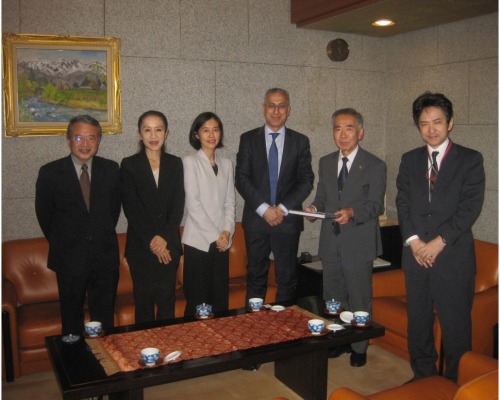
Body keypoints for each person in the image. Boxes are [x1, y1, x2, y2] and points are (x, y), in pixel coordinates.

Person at [396, 92, 485, 382]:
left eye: (437, 122)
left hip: (453, 257)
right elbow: (403, 204)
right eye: (424, 123)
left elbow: (470, 207)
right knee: (419, 323)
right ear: (418, 126)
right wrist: (415, 243)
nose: (431, 129)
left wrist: (438, 242)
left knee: (456, 327)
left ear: (450, 123)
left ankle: (457, 383)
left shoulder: (470, 159)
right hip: (416, 256)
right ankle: (423, 377)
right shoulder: (409, 160)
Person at [304, 108, 386, 367]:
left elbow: (376, 206)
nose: (343, 134)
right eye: (337, 128)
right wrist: (314, 210)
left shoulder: (375, 165)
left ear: (360, 132)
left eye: (349, 128)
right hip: (331, 241)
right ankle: (337, 340)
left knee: (359, 296)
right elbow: (321, 198)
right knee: (333, 296)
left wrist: (353, 212)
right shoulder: (326, 162)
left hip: (358, 242)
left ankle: (359, 346)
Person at [35, 115, 121, 337]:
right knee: (71, 318)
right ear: (68, 140)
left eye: (91, 138)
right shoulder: (50, 173)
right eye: (79, 137)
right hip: (69, 259)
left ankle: (107, 367)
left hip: (104, 257)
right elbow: (45, 216)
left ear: (99, 141)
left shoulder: (111, 170)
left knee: (104, 319)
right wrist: (67, 242)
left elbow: (113, 211)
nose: (85, 144)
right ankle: (76, 367)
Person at [235, 88, 314, 305]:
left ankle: (284, 333)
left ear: (288, 110)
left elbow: (306, 180)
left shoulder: (300, 141)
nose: (276, 110)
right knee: (256, 278)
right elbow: (241, 179)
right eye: (271, 105)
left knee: (287, 279)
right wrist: (264, 209)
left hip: (287, 221)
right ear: (263, 108)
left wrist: (281, 209)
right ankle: (255, 330)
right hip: (256, 221)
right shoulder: (248, 139)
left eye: (281, 106)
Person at [120, 110, 185, 323]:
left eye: (158, 129)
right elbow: (131, 209)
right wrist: (153, 241)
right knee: (144, 305)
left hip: (169, 246)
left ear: (166, 133)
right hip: (141, 247)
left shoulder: (175, 164)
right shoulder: (129, 165)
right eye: (147, 130)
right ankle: (145, 352)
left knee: (167, 303)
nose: (153, 135)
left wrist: (164, 238)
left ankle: (168, 352)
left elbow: (178, 206)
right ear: (139, 134)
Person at [182, 112, 236, 316]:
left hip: (222, 242)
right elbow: (193, 204)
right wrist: (215, 237)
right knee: (198, 300)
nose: (211, 134)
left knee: (219, 298)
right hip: (199, 242)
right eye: (205, 130)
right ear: (196, 134)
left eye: (215, 129)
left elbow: (230, 202)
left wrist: (227, 232)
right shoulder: (190, 162)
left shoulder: (227, 164)